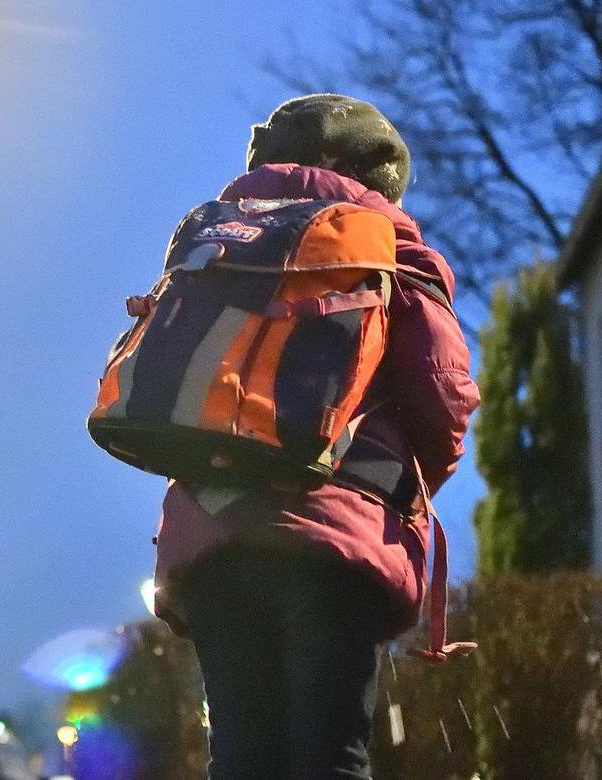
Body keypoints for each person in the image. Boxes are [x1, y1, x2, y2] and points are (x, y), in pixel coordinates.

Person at [151, 94, 480, 779]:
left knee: (241, 755)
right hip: (335, 544)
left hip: (214, 533)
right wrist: (407, 488)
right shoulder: (391, 249)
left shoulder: (217, 240)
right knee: (331, 755)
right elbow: (443, 395)